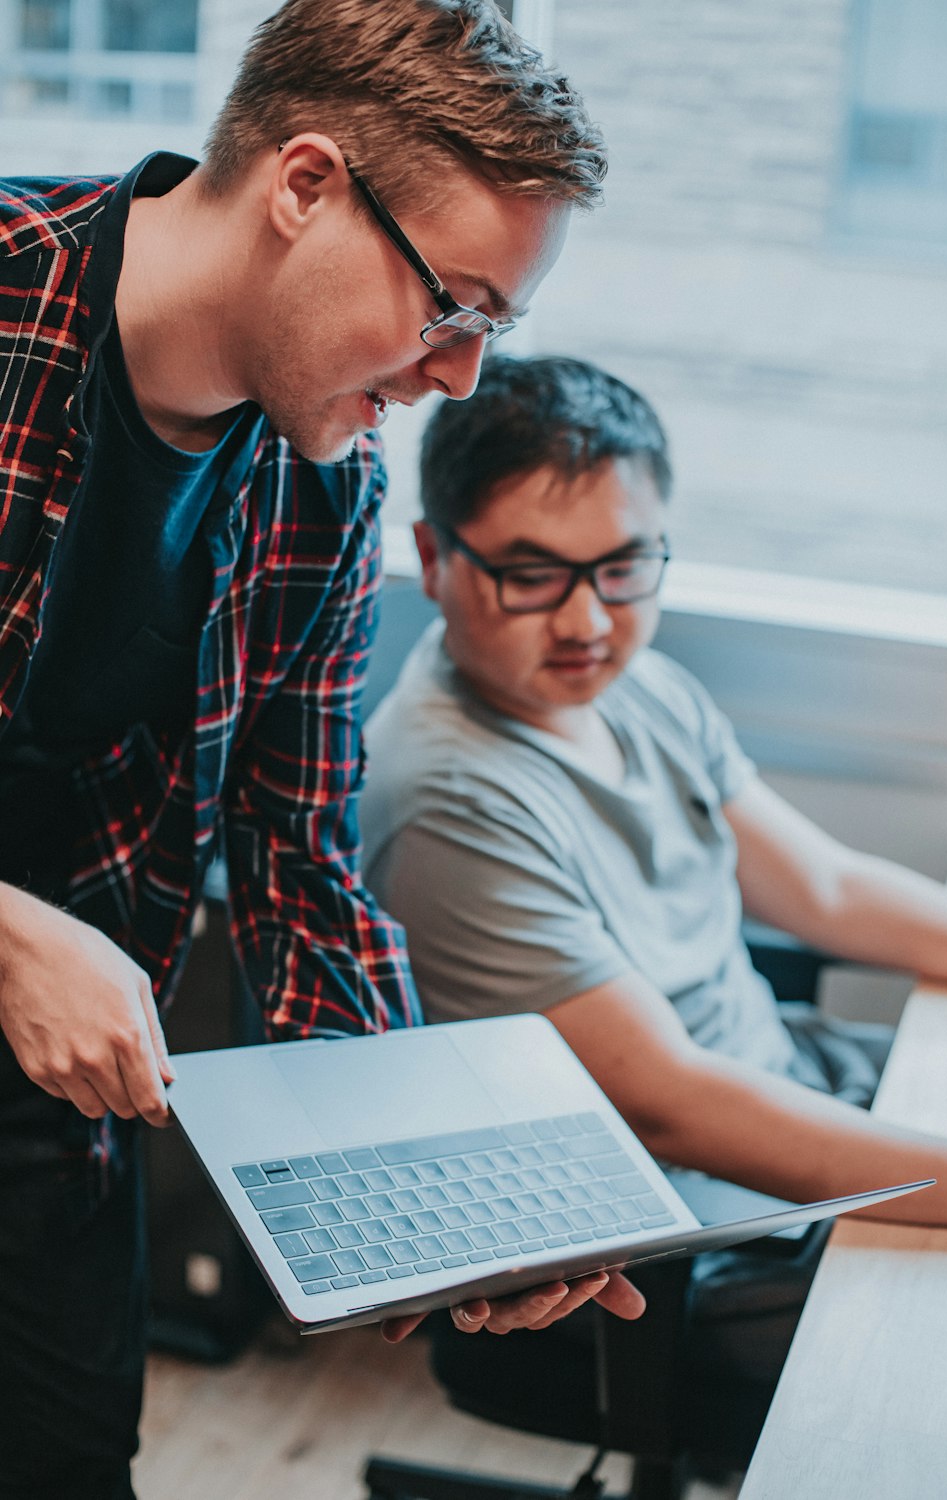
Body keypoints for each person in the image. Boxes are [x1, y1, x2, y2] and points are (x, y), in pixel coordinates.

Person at [0, 11, 646, 1498]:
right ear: (303, 184)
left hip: (50, 1125)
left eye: (497, 328)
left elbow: (297, 867)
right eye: (451, 308)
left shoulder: (324, 494)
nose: (466, 377)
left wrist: (439, 1196)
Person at [360, 351, 947, 1411]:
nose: (586, 622)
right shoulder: (448, 797)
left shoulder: (635, 684)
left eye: (621, 567)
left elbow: (827, 891)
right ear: (434, 558)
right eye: (531, 574)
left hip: (793, 1081)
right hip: (692, 1236)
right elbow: (670, 1109)